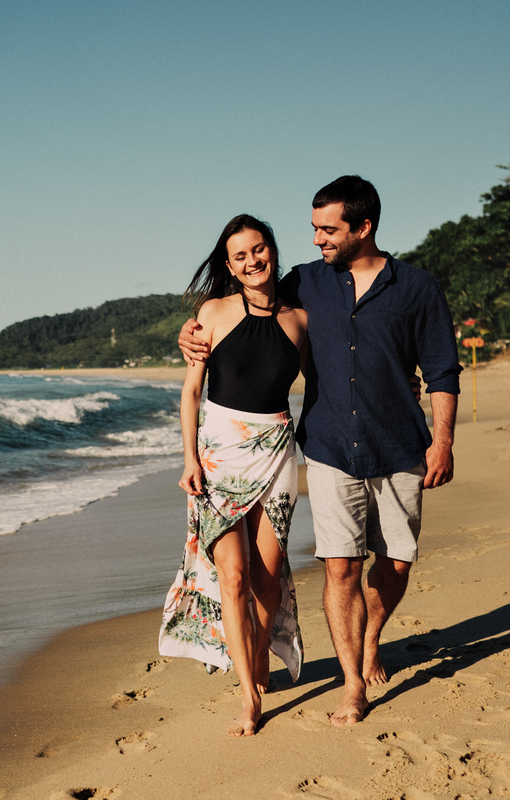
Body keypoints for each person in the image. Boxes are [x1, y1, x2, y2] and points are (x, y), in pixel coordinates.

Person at [176, 176, 461, 727]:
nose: (318, 240)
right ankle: (351, 685)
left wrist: (443, 440)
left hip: (399, 442)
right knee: (339, 568)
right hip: (328, 444)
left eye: (328, 230)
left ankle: (370, 634)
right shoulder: (307, 282)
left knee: (397, 563)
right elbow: (242, 310)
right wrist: (190, 334)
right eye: (312, 229)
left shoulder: (416, 288)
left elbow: (443, 369)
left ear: (364, 227)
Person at [158, 214, 308, 737]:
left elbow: (323, 385)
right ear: (229, 264)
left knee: (268, 579)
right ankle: (248, 695)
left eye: (259, 249)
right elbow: (191, 392)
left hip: (277, 453)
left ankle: (261, 656)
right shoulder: (213, 312)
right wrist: (190, 459)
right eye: (240, 255)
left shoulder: (299, 321)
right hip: (220, 454)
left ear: (272, 251)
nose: (252, 261)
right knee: (235, 576)